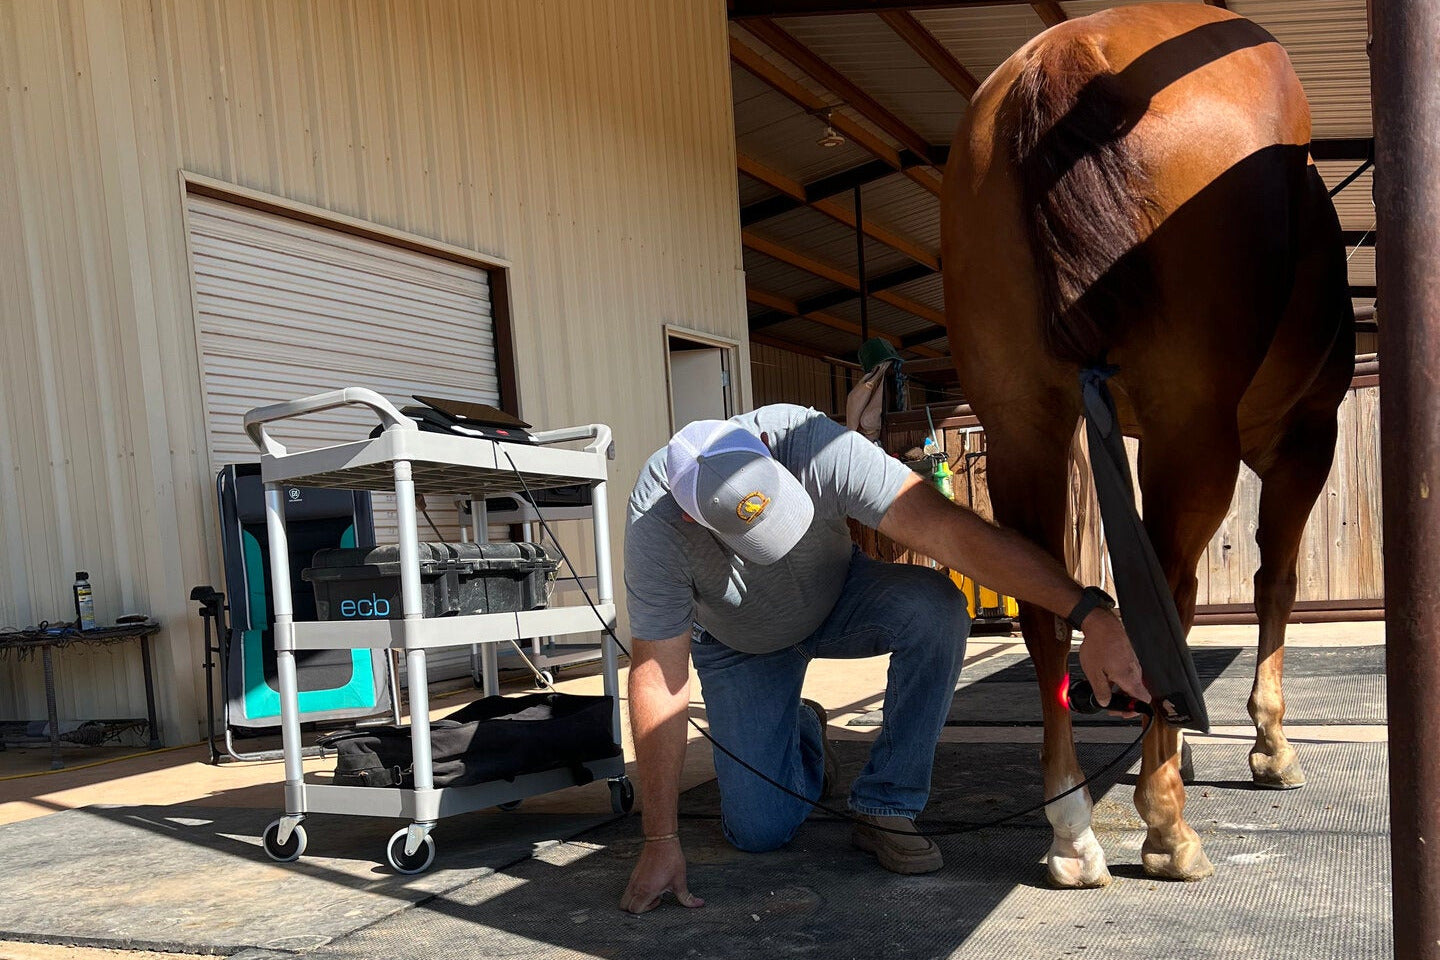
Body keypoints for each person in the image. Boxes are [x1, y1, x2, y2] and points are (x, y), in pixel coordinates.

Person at [618, 404, 1146, 915]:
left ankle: (886, 804)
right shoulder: (655, 525)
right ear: (690, 513)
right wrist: (660, 839)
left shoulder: (808, 440)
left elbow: (950, 532)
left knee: (936, 608)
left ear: (765, 451)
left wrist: (1091, 615)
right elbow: (659, 679)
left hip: (840, 596)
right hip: (742, 645)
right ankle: (802, 730)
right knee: (760, 832)